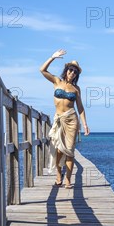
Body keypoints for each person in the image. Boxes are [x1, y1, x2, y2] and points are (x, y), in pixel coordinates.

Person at [40, 49, 90, 189]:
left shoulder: (76, 89)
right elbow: (42, 70)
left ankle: (68, 179)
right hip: (58, 119)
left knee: (69, 150)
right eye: (70, 70)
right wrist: (53, 57)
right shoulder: (57, 81)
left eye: (75, 71)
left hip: (71, 120)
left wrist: (85, 124)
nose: (72, 73)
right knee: (59, 150)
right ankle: (58, 175)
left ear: (77, 75)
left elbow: (80, 108)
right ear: (66, 70)